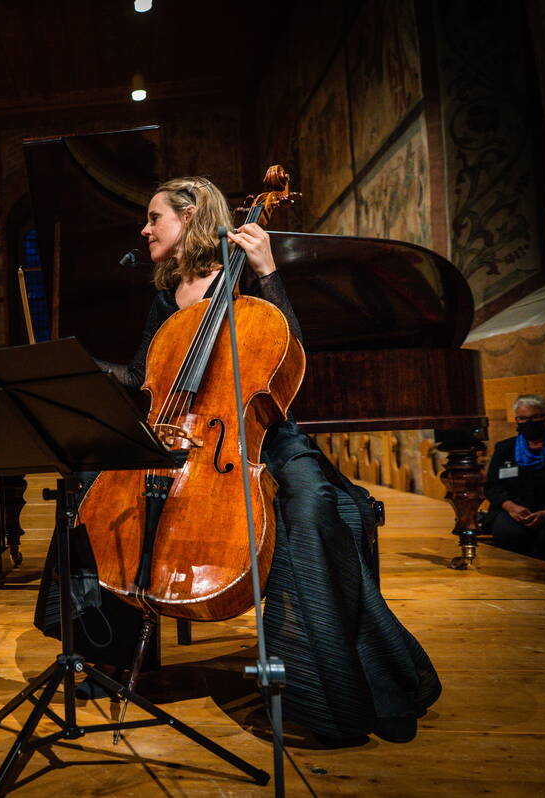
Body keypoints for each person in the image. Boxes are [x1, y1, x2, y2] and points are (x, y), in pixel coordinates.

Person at [35, 175, 441, 745]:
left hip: (263, 436)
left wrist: (270, 272)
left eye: (155, 217)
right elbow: (141, 376)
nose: (144, 228)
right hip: (186, 435)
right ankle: (104, 657)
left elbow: (287, 351)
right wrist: (79, 367)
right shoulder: (163, 298)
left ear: (193, 216)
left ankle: (338, 694)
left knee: (315, 508)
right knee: (92, 493)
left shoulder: (249, 273)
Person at [483, 394, 545, 564]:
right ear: (516, 421)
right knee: (508, 533)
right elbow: (492, 487)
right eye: (523, 418)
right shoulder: (505, 448)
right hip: (514, 510)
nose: (529, 423)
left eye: (536, 417)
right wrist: (511, 507)